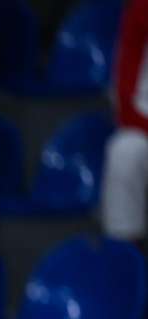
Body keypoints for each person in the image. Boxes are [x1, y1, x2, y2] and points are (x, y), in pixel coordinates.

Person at [103, 0, 148, 245]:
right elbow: (125, 99)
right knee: (125, 152)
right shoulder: (141, 10)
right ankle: (124, 253)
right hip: (144, 127)